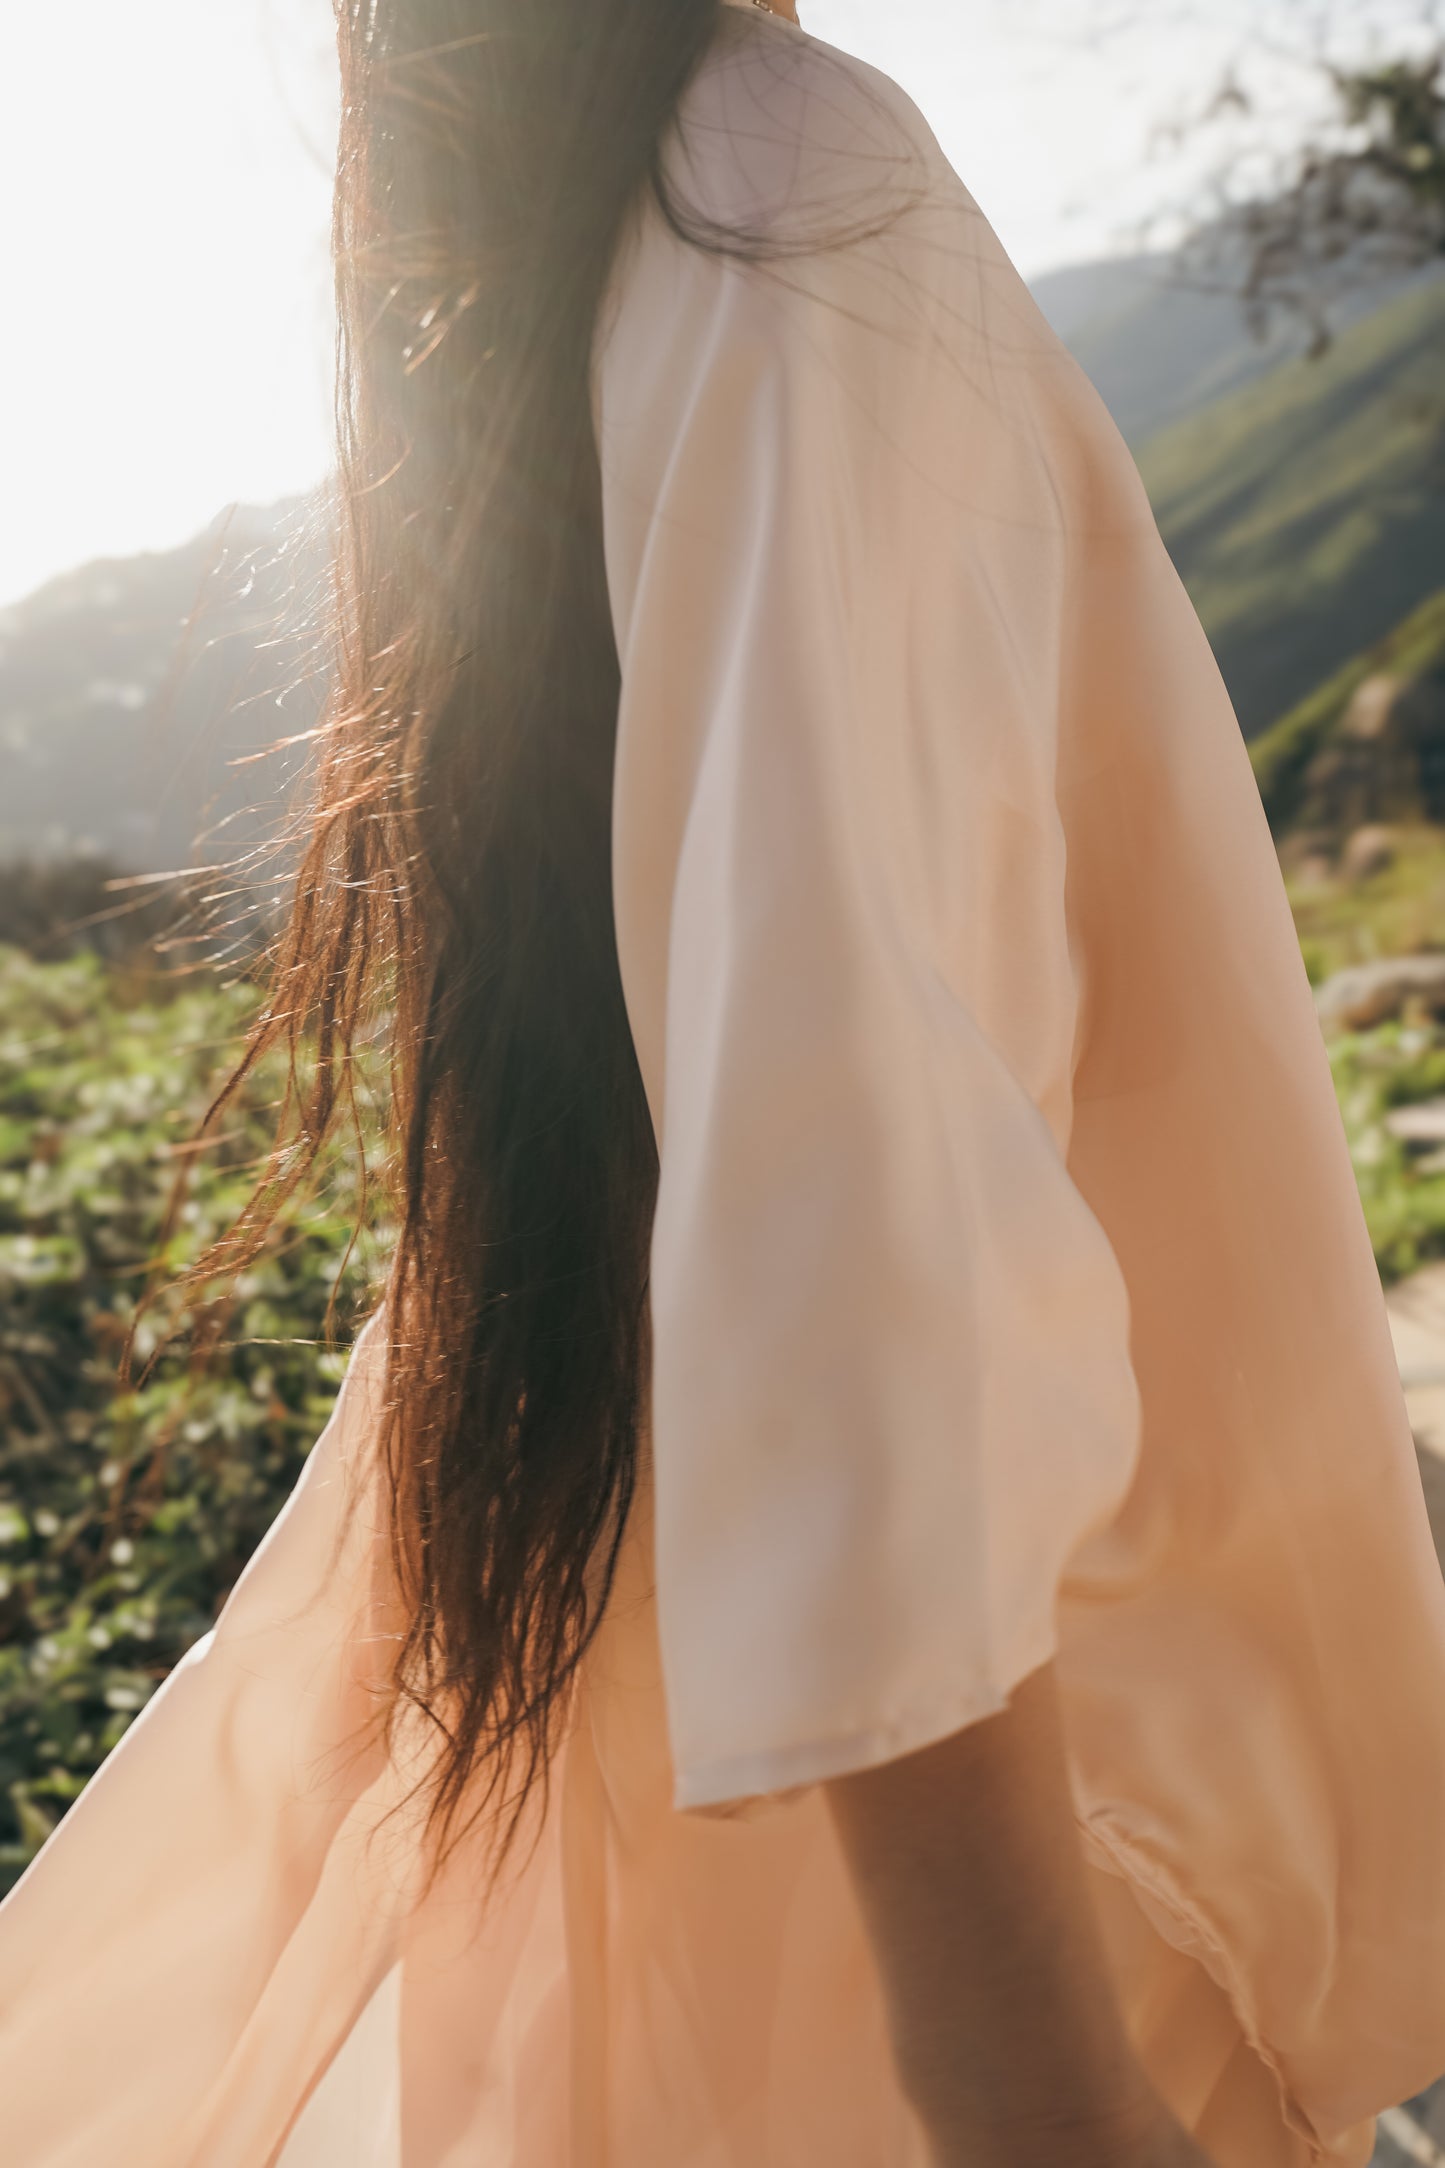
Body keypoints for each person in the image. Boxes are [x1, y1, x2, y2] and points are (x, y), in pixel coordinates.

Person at [3, 0, 1445, 2162]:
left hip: (712, 1854)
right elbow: (843, 1195)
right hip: (1002, 1903)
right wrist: (1038, 2087)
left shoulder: (587, 241)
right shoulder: (788, 198)